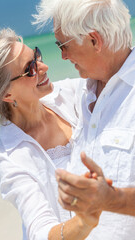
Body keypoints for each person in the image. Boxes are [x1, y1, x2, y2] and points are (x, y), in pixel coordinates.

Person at [0, 28, 103, 240]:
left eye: (36, 56)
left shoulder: (72, 94)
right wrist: (84, 221)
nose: (44, 67)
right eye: (30, 69)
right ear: (5, 93)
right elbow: (40, 231)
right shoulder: (5, 155)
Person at [33, 0, 135, 239]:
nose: (62, 56)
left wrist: (113, 199)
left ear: (94, 40)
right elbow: (21, 95)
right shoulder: (80, 92)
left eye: (63, 44)